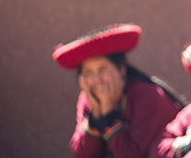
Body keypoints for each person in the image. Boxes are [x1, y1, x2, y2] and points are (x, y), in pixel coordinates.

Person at [53, 23, 183, 158]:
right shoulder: (88, 98)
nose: (96, 79)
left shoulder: (148, 96)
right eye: (88, 72)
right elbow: (82, 154)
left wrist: (108, 113)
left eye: (103, 69)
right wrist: (96, 114)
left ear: (121, 69)